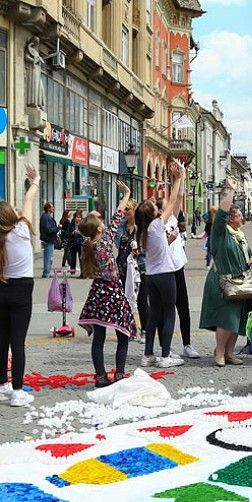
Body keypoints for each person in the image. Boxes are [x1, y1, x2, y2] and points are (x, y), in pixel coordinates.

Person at [77, 181, 137, 387]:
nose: (103, 221)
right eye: (98, 220)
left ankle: (101, 376)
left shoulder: (89, 246)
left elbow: (115, 218)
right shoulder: (103, 242)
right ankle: (119, 374)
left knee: (99, 338)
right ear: (97, 228)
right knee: (122, 334)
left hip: (97, 294)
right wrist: (127, 194)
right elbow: (117, 216)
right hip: (112, 292)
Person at [134, 161, 185, 369]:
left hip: (151, 275)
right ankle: (165, 356)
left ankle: (147, 355)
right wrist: (179, 178)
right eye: (154, 206)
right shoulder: (156, 225)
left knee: (154, 315)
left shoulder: (142, 231)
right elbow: (173, 200)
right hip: (165, 274)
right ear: (151, 213)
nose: (157, 206)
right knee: (169, 314)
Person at [200, 176, 252, 367]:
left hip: (240, 282)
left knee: (237, 319)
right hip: (223, 281)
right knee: (226, 317)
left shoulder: (239, 235)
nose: (243, 218)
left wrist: (251, 258)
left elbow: (246, 251)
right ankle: (219, 351)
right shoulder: (221, 232)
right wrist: (230, 191)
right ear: (230, 218)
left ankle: (230, 353)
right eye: (239, 215)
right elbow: (222, 212)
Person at [0, 163, 40, 407]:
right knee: (18, 342)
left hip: (1, 288)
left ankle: (2, 385)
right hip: (22, 291)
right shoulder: (23, 230)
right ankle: (17, 391)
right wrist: (34, 179)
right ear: (11, 216)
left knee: (1, 340)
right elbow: (29, 198)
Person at [156, 198, 197, 360]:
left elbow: (178, 197)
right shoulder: (156, 225)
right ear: (160, 210)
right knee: (166, 311)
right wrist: (169, 240)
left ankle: (187, 344)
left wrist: (180, 177)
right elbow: (156, 248)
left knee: (183, 307)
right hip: (165, 271)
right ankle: (166, 346)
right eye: (167, 206)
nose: (171, 207)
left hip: (178, 268)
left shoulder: (172, 218)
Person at [114, 199, 147, 336]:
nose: (125, 212)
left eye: (128, 209)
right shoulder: (121, 225)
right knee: (123, 300)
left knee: (142, 299)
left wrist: (140, 250)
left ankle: (145, 330)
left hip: (139, 267)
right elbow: (117, 243)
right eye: (124, 209)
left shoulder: (142, 226)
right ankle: (128, 328)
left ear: (135, 210)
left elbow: (148, 245)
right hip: (122, 266)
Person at [39, 201, 59, 278]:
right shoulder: (46, 217)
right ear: (48, 208)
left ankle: (47, 271)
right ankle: (46, 272)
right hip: (48, 239)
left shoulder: (46, 217)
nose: (53, 208)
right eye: (52, 207)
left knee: (50, 257)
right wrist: (57, 228)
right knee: (48, 257)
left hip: (49, 239)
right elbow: (49, 229)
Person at [67, 210, 85, 275]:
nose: (78, 219)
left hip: (81, 243)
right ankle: (72, 271)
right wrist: (72, 233)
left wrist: (79, 233)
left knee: (82, 258)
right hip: (73, 243)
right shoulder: (71, 225)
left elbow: (85, 234)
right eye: (76, 217)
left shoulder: (83, 225)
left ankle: (83, 272)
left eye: (79, 217)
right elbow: (68, 233)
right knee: (73, 258)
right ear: (74, 218)